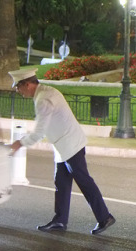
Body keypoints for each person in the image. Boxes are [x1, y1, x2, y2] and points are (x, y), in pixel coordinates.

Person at [10, 68, 115, 235]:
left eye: (18, 86)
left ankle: (105, 217)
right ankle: (60, 220)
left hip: (70, 145)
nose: (17, 90)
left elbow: (39, 133)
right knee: (61, 182)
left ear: (28, 84)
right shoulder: (45, 92)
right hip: (64, 145)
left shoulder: (43, 100)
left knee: (83, 180)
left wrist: (19, 143)